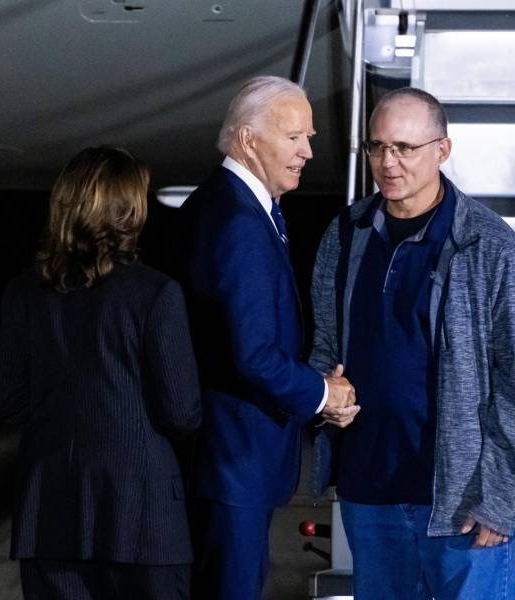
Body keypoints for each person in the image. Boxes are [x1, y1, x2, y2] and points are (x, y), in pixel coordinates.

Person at [310, 87, 515, 599]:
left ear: (442, 150)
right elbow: (325, 343)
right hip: (369, 491)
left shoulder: (490, 245)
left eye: (404, 148)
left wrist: (501, 498)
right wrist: (327, 397)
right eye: (377, 147)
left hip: (460, 500)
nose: (388, 163)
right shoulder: (345, 234)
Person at [176, 75, 358, 600]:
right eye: (294, 137)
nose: (307, 150)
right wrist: (324, 394)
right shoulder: (236, 221)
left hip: (231, 459)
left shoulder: (235, 205)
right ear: (248, 139)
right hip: (234, 462)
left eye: (309, 137)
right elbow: (253, 356)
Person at [0, 147, 201, 600]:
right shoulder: (156, 294)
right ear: (130, 209)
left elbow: (8, 401)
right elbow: (181, 412)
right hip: (141, 512)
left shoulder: (23, 291)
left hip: (49, 508)